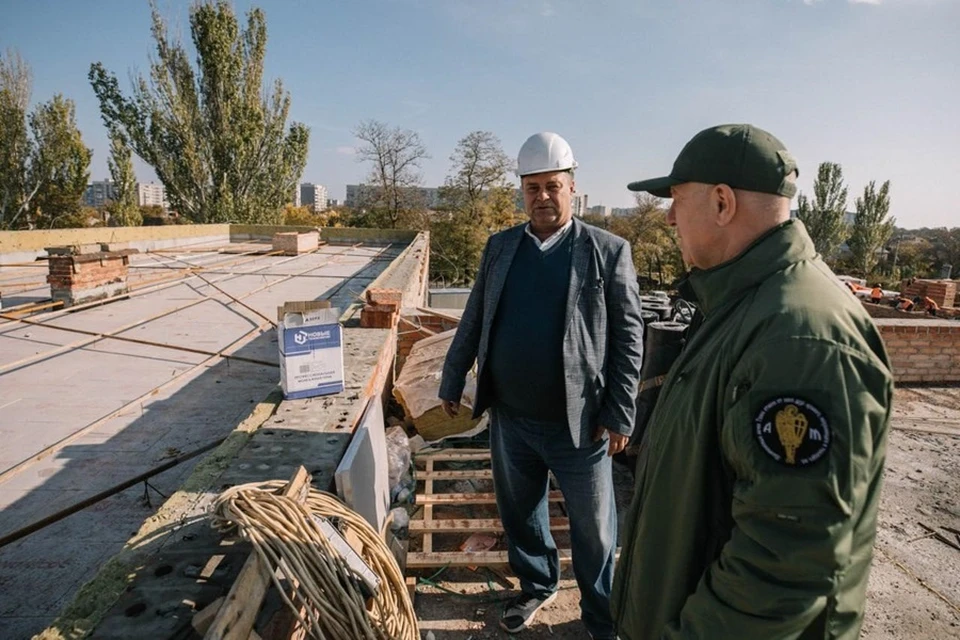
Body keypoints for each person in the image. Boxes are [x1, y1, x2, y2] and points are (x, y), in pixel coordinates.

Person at [611, 124, 893, 640]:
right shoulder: (742, 306)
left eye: (676, 198)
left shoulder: (798, 338)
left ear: (722, 203)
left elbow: (786, 560)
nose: (669, 216)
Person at [439, 132, 644, 639]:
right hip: (511, 419)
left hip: (581, 425)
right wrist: (452, 376)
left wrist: (620, 412)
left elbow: (628, 336)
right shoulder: (501, 247)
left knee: (595, 530)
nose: (543, 197)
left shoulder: (605, 251)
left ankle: (601, 617)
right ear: (522, 191)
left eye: (553, 186)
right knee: (521, 514)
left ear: (573, 188)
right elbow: (474, 317)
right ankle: (538, 585)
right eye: (533, 188)